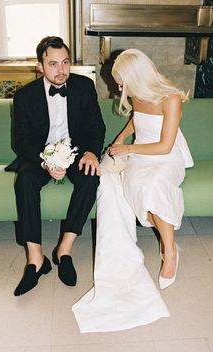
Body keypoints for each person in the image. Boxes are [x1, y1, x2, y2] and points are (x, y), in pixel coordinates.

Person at [72, 49, 193, 333]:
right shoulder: (137, 94)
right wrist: (121, 136)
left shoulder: (171, 98)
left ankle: (170, 250)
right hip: (141, 155)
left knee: (152, 187)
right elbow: (136, 119)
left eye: (120, 81)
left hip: (166, 158)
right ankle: (155, 244)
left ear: (134, 76)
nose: (118, 87)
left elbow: (164, 146)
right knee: (129, 186)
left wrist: (127, 148)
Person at [11, 36, 105, 296]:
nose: (61, 70)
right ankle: (36, 259)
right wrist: (46, 161)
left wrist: (90, 153)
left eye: (65, 62)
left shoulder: (84, 87)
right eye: (52, 64)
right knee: (25, 180)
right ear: (40, 66)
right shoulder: (24, 96)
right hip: (40, 155)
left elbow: (96, 126)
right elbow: (21, 140)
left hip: (76, 153)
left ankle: (64, 249)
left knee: (91, 177)